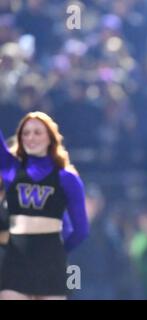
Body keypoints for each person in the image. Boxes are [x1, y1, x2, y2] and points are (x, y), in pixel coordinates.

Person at [0, 111, 89, 300]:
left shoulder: (68, 178)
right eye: (25, 133)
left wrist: (57, 251)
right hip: (16, 258)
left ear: (50, 137)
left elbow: (81, 229)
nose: (30, 137)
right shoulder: (10, 169)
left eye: (37, 132)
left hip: (51, 260)